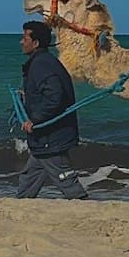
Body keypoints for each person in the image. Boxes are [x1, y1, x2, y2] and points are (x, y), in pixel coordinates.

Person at [16, 21, 89, 199]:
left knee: (65, 178)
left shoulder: (41, 64)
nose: (21, 41)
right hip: (45, 138)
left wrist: (35, 120)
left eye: (25, 38)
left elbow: (54, 97)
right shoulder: (44, 61)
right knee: (31, 175)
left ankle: (82, 202)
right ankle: (22, 201)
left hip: (51, 136)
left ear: (36, 43)